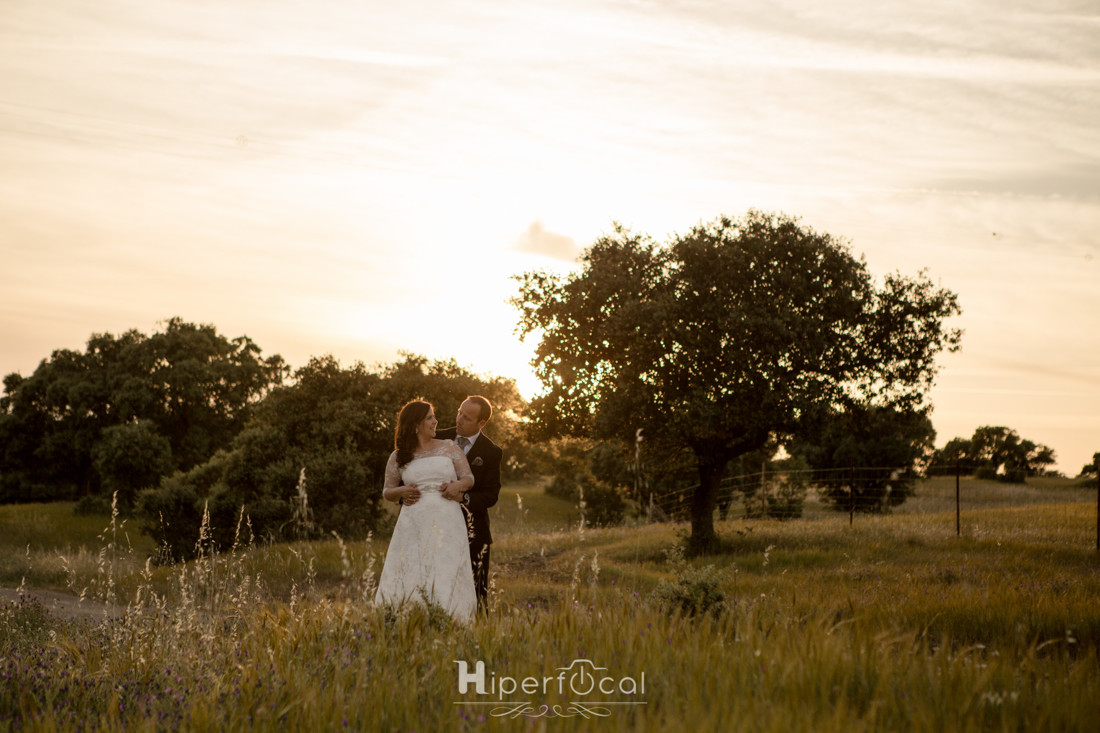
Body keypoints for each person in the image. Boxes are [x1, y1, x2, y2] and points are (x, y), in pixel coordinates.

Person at [374, 400, 476, 623]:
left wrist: (457, 486)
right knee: (412, 566)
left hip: (448, 519)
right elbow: (387, 492)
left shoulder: (448, 447)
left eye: (433, 416)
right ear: (416, 424)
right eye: (430, 417)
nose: (435, 421)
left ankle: (451, 618)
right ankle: (405, 617)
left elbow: (468, 478)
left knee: (445, 566)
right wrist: (401, 490)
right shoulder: (398, 456)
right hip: (413, 522)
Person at [436, 395, 503, 612]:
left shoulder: (491, 452)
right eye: (459, 412)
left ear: (481, 423)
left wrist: (464, 498)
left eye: (467, 417)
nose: (459, 419)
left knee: (476, 594)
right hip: (436, 527)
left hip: (473, 531)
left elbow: (491, 495)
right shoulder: (436, 438)